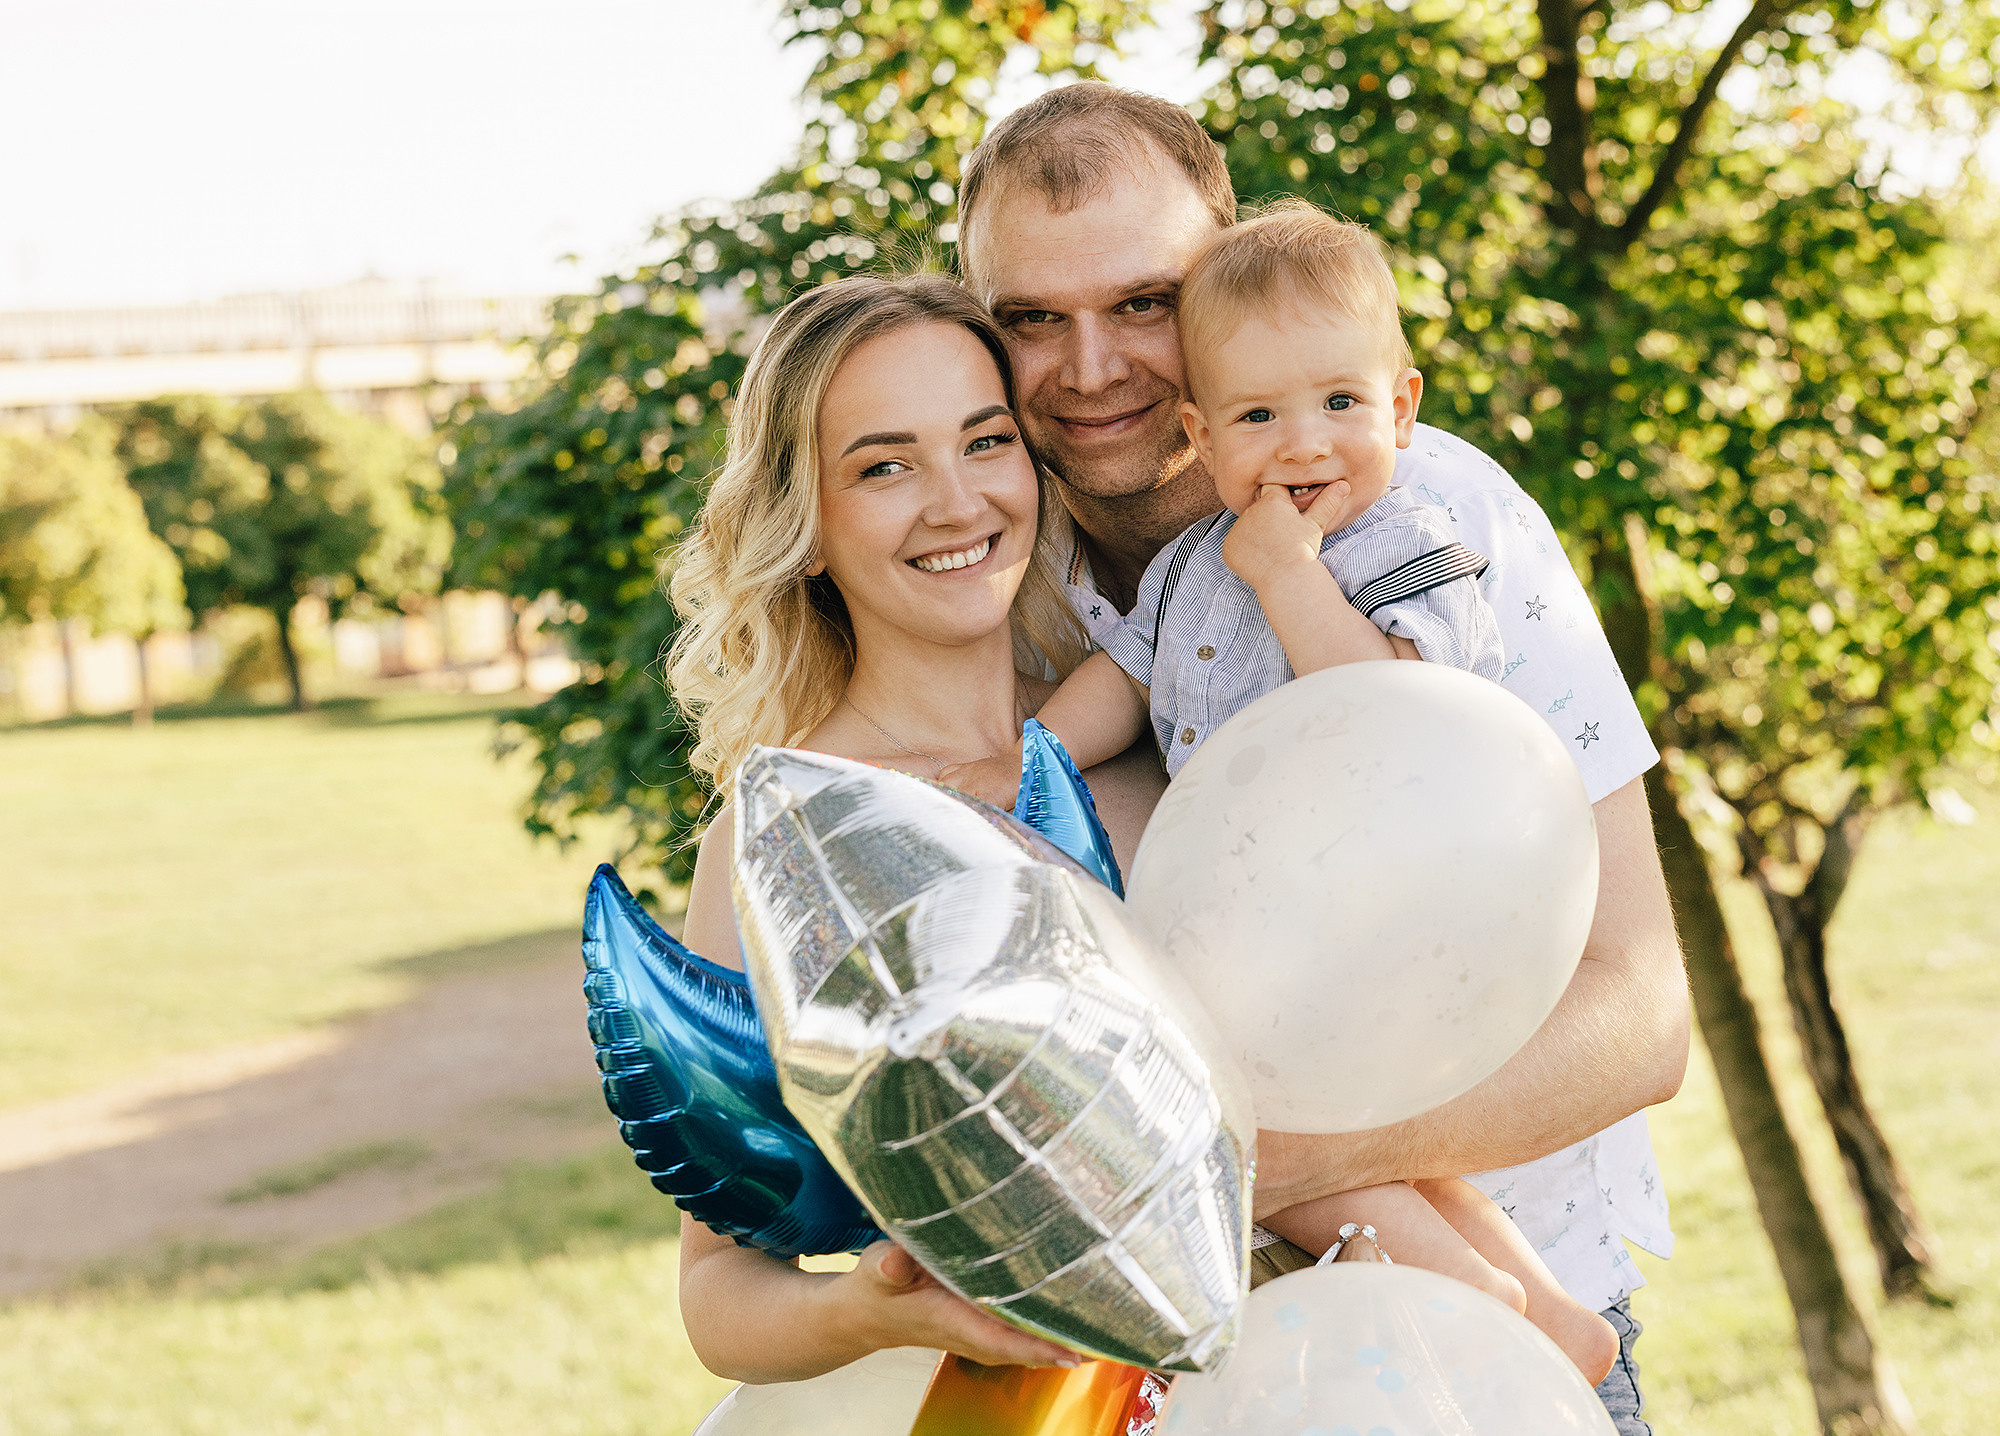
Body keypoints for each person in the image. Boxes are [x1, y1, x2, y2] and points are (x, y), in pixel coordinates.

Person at [952, 82, 1689, 1434]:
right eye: (1031, 318)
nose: (1092, 366)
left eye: (1143, 301)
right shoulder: (984, 551)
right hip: (1177, 1384)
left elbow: (1640, 1021)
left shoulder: (1432, 516)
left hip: (1485, 1363)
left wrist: (1247, 1152)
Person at [662, 271, 1170, 1385]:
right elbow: (717, 1289)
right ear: (804, 526)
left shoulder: (1154, 724)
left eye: (985, 442)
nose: (956, 502)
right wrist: (870, 1309)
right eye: (884, 466)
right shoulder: (786, 835)